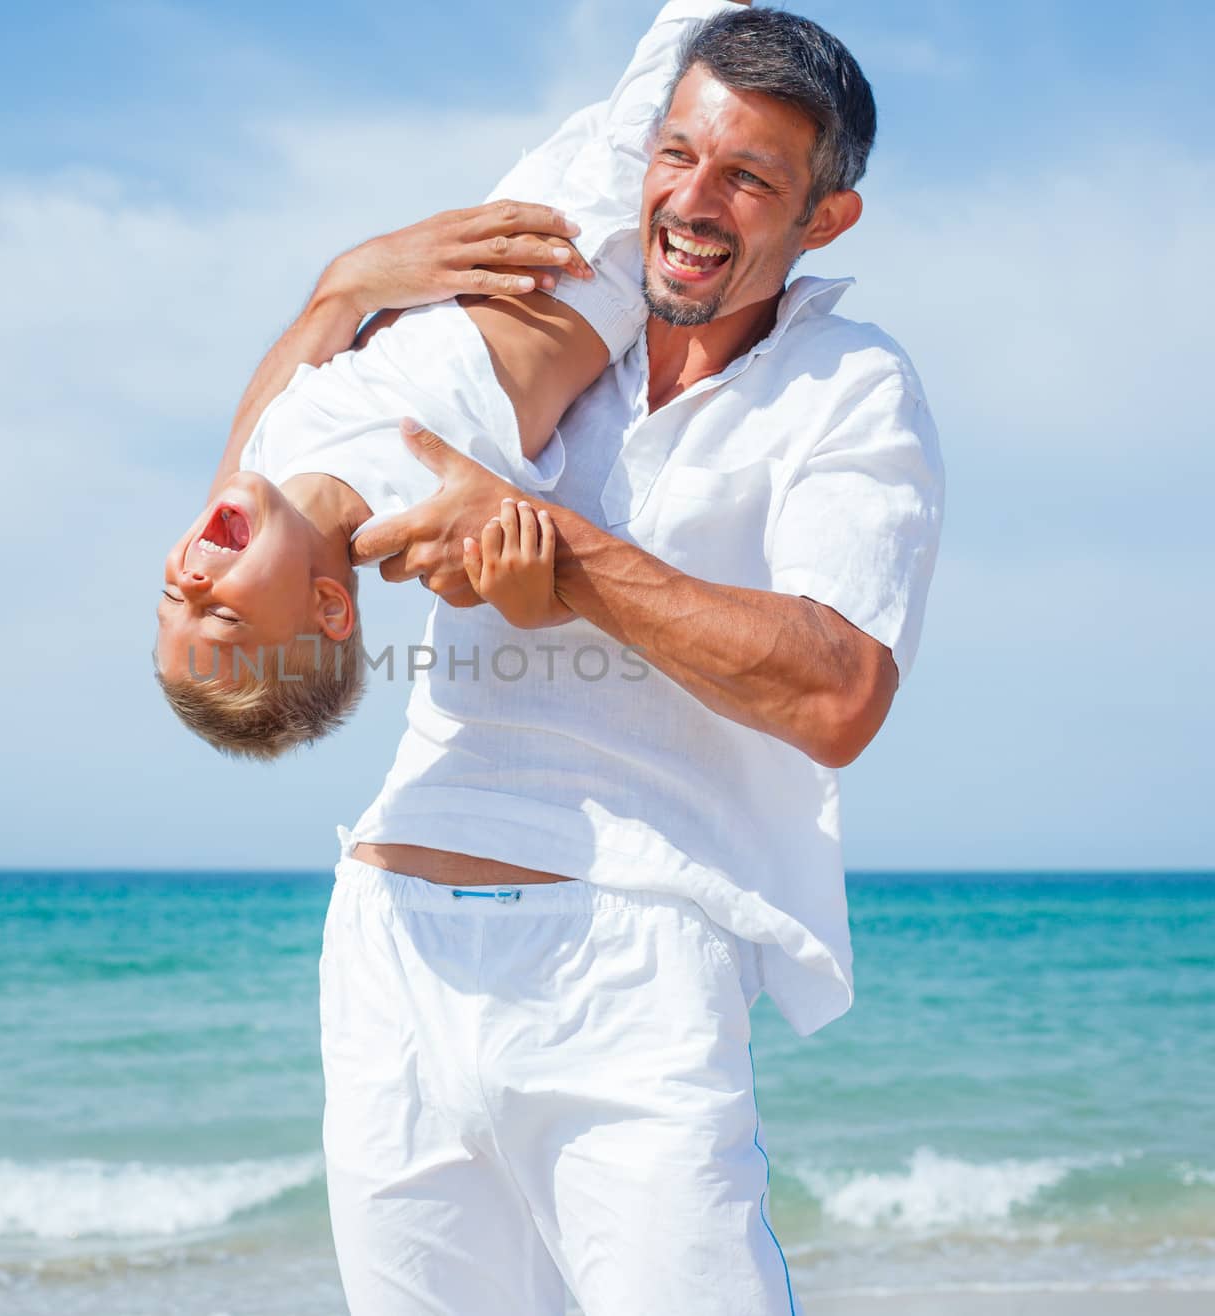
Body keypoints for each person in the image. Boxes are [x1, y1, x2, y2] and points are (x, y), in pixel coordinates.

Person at [193, 3, 944, 1312]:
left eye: (749, 179)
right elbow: (267, 480)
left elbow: (838, 688)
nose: (691, 202)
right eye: (676, 156)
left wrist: (574, 565)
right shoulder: (522, 330)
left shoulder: (848, 388)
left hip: (633, 955)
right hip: (390, 951)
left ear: (825, 219)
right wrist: (343, 285)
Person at [153, 0, 728, 757]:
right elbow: (517, 579)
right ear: (329, 606)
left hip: (518, 212)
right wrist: (526, 604)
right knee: (697, 46)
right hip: (593, 258)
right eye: (222, 617)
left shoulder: (263, 467)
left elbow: (242, 458)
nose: (192, 584)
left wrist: (354, 279)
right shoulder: (415, 534)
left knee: (651, 76)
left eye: (169, 599)